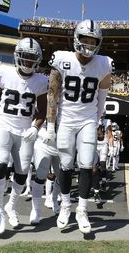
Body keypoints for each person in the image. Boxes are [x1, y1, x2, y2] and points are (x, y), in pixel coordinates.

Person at [45, 19, 113, 234]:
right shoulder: (62, 59)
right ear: (77, 39)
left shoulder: (104, 63)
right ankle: (65, 206)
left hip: (87, 120)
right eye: (85, 40)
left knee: (85, 164)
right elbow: (52, 95)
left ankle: (82, 210)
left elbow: (102, 96)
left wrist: (97, 118)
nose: (89, 45)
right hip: (66, 119)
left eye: (93, 41)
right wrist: (50, 125)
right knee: (65, 165)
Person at [0, 37, 48, 234]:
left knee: (23, 171)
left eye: (31, 58)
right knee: (0, 163)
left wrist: (35, 127)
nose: (27, 62)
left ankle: (12, 205)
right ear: (18, 56)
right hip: (3, 124)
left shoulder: (41, 81)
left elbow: (42, 111)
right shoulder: (5, 72)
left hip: (25, 129)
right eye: (25, 57)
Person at [29, 120, 61, 225]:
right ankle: (36, 210)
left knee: (62, 178)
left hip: (61, 143)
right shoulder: (42, 103)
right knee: (41, 175)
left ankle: (54, 200)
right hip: (43, 142)